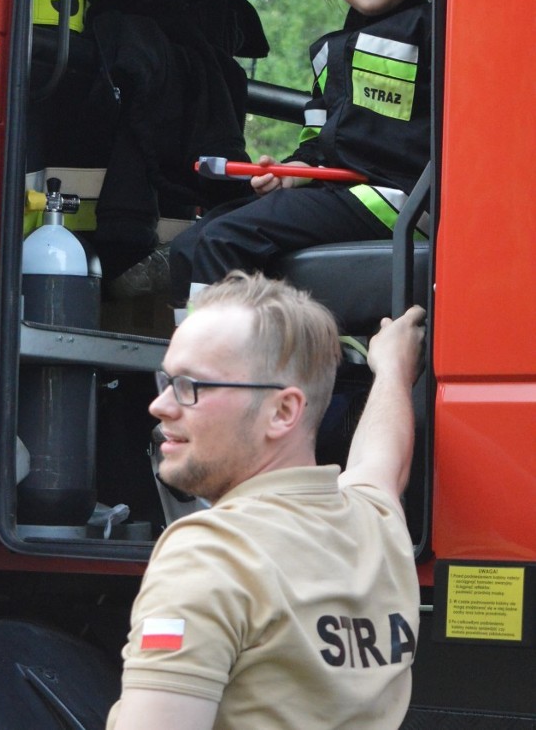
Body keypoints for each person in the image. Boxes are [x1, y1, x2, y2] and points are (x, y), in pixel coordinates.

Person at [107, 271, 425, 730]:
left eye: (192, 385)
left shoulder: (210, 554)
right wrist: (394, 370)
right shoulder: (376, 524)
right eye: (166, 380)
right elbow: (382, 460)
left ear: (283, 412)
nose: (160, 405)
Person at [169, 0, 432, 305]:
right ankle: (188, 364)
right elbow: (319, 138)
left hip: (397, 197)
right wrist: (294, 173)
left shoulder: (435, 32)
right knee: (189, 243)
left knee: (225, 240)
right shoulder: (331, 51)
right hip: (339, 187)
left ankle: (218, 369)